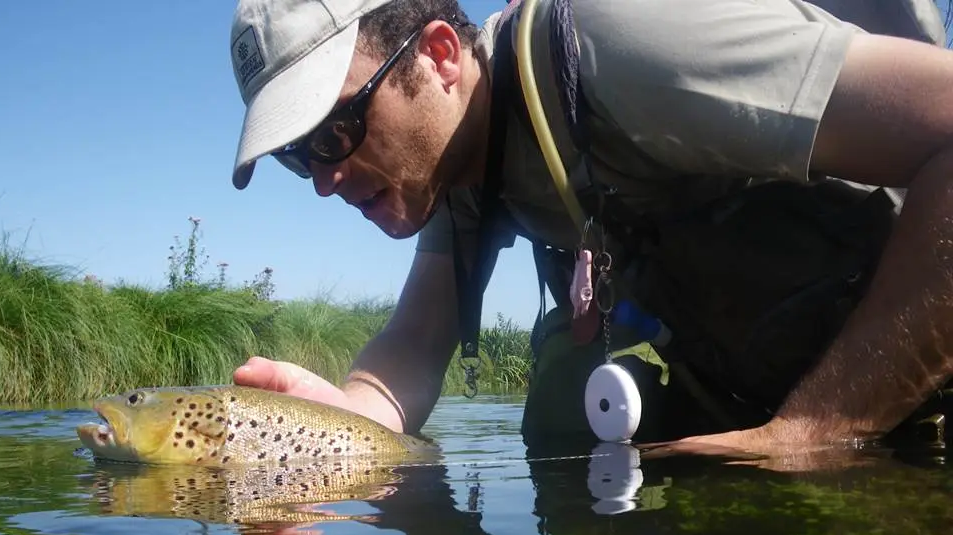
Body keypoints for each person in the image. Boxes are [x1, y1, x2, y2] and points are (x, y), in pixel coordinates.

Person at [225, 0, 953, 459]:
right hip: (771, 366)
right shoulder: (453, 177)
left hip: (910, 325)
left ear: (440, 57)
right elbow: (413, 346)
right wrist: (342, 422)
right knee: (563, 404)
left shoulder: (621, 42)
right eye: (297, 156)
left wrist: (817, 430)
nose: (322, 179)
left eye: (337, 131)